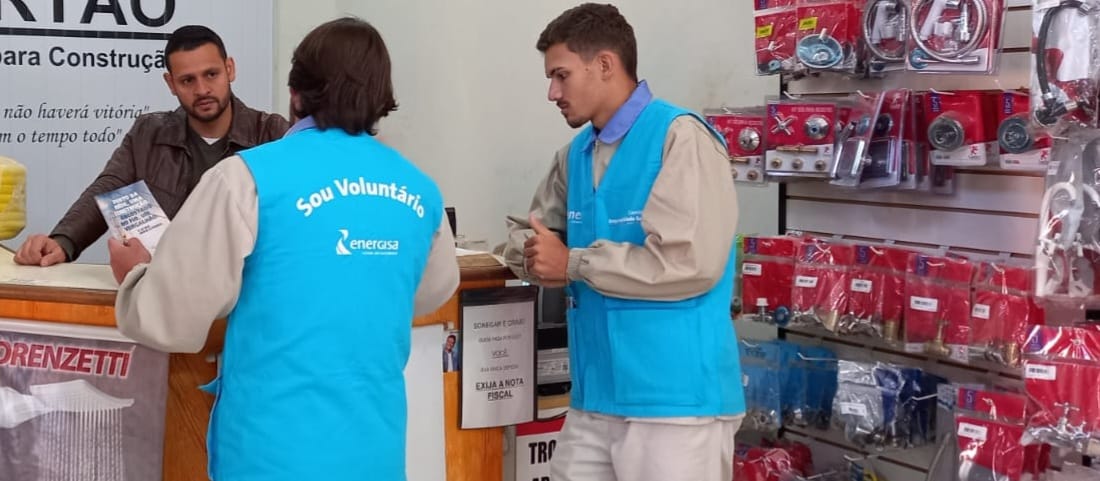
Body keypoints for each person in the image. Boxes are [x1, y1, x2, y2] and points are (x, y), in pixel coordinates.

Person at [108, 17, 459, 481]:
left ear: (296, 93)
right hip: (374, 448)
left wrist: (137, 277)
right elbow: (430, 292)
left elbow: (173, 319)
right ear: (381, 96)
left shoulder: (245, 178)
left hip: (269, 451)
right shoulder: (421, 190)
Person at [502, 4, 745, 480]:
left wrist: (571, 263)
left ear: (606, 65)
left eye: (561, 75)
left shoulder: (680, 137)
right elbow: (528, 234)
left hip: (674, 406)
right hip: (595, 398)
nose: (552, 92)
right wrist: (534, 257)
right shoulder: (574, 155)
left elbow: (689, 262)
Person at [14, 25, 289, 266]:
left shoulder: (272, 133)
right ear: (170, 83)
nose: (202, 89)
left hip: (247, 292)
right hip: (164, 295)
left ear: (230, 69)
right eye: (187, 80)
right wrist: (63, 242)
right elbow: (107, 188)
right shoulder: (148, 133)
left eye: (211, 74)